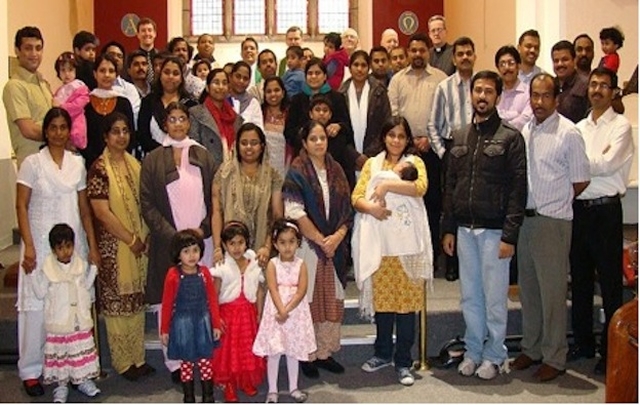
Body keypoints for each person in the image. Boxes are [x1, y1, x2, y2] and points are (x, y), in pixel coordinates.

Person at [442, 70, 527, 380]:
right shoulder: (460, 136)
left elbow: (519, 190)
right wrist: (448, 228)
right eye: (477, 90)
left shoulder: (510, 137)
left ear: (497, 96)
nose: (482, 96)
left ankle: (494, 354)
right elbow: (450, 185)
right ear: (471, 95)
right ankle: (474, 350)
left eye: (488, 91)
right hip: (464, 230)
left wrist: (510, 235)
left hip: (494, 233)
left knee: (493, 298)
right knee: (470, 296)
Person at [510, 73, 590, 382]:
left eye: (545, 96)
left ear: (556, 99)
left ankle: (555, 356)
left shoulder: (569, 133)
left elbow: (581, 179)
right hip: (526, 222)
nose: (539, 102)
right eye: (534, 95)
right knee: (529, 291)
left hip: (552, 222)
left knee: (553, 293)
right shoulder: (525, 131)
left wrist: (557, 204)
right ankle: (532, 348)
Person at [15, 107, 99, 397]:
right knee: (38, 308)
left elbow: (85, 210)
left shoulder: (77, 163)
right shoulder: (32, 163)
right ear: (46, 130)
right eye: (54, 127)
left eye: (64, 127)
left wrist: (91, 244)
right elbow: (21, 206)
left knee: (72, 308)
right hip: (39, 243)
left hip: (71, 244)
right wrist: (28, 244)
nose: (59, 133)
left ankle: (75, 369)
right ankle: (31, 370)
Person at [141, 103, 218, 383]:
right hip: (169, 243)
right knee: (171, 301)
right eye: (171, 119)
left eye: (182, 119)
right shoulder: (152, 159)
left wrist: (203, 229)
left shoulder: (203, 154)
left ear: (188, 123)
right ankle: (175, 362)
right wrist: (172, 236)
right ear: (165, 124)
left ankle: (202, 355)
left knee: (202, 300)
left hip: (201, 241)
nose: (177, 124)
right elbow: (147, 203)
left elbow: (215, 198)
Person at [351, 116, 431, 386]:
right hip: (381, 246)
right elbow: (357, 196)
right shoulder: (373, 164)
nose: (396, 140)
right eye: (391, 135)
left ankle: (404, 361)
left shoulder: (414, 162)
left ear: (407, 139)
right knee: (384, 305)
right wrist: (371, 207)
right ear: (384, 136)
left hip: (408, 249)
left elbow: (419, 187)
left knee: (406, 307)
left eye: (401, 136)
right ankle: (382, 353)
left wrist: (385, 186)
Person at [569, 67, 634, 375]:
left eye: (603, 86)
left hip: (607, 211)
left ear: (612, 91)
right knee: (579, 281)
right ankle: (582, 344)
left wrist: (583, 165)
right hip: (579, 209)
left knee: (609, 285)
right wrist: (586, 165)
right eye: (592, 84)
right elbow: (576, 165)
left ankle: (611, 352)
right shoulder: (578, 127)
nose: (596, 90)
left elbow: (607, 164)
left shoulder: (622, 126)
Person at [282, 120, 353, 379]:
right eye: (313, 138)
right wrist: (321, 240)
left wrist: (337, 238)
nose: (319, 143)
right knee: (309, 299)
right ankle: (307, 355)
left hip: (334, 246)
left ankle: (325, 352)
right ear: (304, 143)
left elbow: (347, 210)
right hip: (309, 247)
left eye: (322, 138)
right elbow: (294, 210)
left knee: (331, 298)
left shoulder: (337, 170)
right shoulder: (297, 171)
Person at [87, 112, 154, 382]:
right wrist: (130, 239)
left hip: (138, 246)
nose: (121, 136)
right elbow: (102, 213)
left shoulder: (134, 165)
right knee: (117, 307)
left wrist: (144, 237)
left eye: (125, 130)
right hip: (115, 248)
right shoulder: (99, 168)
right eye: (115, 131)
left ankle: (138, 358)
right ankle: (124, 362)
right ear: (105, 136)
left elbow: (145, 202)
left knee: (135, 304)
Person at [389, 32, 447, 281]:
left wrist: (429, 140)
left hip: (432, 150)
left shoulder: (440, 79)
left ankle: (431, 258)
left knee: (432, 205)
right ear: (408, 51)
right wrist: (407, 140)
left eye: (422, 50)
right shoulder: (397, 80)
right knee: (405, 205)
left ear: (428, 52)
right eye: (413, 50)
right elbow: (393, 114)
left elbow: (445, 115)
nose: (417, 54)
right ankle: (406, 255)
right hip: (404, 150)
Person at [28, 224, 101, 403]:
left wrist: (93, 269)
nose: (66, 252)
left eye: (68, 246)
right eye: (60, 248)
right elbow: (40, 293)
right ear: (54, 250)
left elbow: (86, 286)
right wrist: (31, 274)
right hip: (59, 323)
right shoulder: (48, 270)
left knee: (78, 354)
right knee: (62, 357)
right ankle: (61, 386)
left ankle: (83, 380)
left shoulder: (80, 265)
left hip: (78, 321)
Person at [252, 219, 316, 404]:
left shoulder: (301, 264)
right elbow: (272, 288)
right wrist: (281, 310)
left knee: (292, 350)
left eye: (291, 242)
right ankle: (272, 390)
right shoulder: (272, 263)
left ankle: (293, 387)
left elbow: (302, 290)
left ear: (298, 242)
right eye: (282, 242)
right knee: (275, 351)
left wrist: (287, 311)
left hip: (295, 312)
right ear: (275, 244)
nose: (287, 247)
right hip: (276, 310)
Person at [161, 230, 222, 403]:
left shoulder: (204, 273)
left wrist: (216, 324)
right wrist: (164, 329)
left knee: (205, 361)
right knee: (186, 362)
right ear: (178, 254)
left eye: (195, 250)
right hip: (183, 325)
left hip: (202, 322)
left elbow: (212, 300)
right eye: (186, 251)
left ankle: (208, 396)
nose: (192, 255)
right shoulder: (173, 275)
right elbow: (166, 304)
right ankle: (188, 396)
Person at [212, 123, 284, 268]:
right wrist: (218, 247)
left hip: (262, 252)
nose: (249, 147)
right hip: (230, 249)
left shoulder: (273, 176)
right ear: (237, 145)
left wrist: (267, 247)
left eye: (254, 143)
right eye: (244, 143)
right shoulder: (224, 173)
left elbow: (277, 216)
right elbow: (217, 212)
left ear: (262, 146)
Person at [210, 221, 266, 402]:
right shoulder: (222, 267)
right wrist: (215, 318)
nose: (236, 247)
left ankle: (245, 380)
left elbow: (258, 290)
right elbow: (214, 293)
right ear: (225, 245)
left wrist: (259, 313)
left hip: (248, 314)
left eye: (240, 242)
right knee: (229, 352)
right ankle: (229, 384)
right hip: (229, 315)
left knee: (246, 349)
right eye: (232, 243)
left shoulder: (253, 264)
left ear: (246, 243)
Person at [3, 26, 53, 168]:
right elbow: (28, 130)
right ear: (17, 51)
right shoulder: (14, 86)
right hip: (31, 167)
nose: (34, 53)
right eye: (28, 48)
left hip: (52, 162)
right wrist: (61, 136)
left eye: (38, 48)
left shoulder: (44, 84)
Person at [284, 58, 353, 159]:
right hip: (305, 156)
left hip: (334, 155)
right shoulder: (297, 99)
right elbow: (288, 132)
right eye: (310, 73)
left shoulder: (337, 98)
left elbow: (348, 129)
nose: (313, 76)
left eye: (317, 73)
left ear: (325, 76)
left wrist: (339, 126)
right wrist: (304, 134)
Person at [82, 53, 135, 169]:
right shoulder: (86, 104)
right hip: (93, 165)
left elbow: (131, 137)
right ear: (95, 74)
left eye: (111, 71)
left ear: (116, 75)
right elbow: (84, 139)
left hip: (121, 164)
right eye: (102, 70)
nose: (107, 75)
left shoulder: (123, 103)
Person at [339, 50, 392, 166]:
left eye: (363, 65)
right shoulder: (341, 93)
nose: (359, 69)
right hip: (349, 157)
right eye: (356, 65)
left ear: (369, 68)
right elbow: (340, 128)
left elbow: (386, 124)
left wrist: (369, 155)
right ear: (349, 67)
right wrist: (355, 156)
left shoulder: (379, 91)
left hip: (376, 155)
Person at [427, 36, 476, 160]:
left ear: (474, 57)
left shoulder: (482, 86)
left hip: (478, 148)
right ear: (454, 60)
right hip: (452, 149)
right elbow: (433, 125)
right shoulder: (443, 87)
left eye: (469, 53)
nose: (465, 57)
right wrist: (443, 153)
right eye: (460, 54)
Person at [138, 56, 198, 155]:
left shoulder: (191, 104)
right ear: (160, 75)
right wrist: (165, 153)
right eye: (166, 72)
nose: (170, 76)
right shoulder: (148, 102)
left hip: (186, 157)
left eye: (175, 73)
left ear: (181, 78)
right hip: (154, 158)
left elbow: (194, 135)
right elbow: (143, 136)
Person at [189, 68, 243, 164]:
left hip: (233, 171)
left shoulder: (236, 118)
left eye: (224, 83)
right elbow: (194, 149)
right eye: (216, 82)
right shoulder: (195, 114)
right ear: (207, 87)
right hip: (207, 171)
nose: (221, 87)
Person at [307, 95, 357, 188]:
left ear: (330, 115)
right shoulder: (305, 136)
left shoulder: (339, 137)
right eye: (317, 110)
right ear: (311, 114)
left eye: (325, 110)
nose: (321, 113)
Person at [52, 51, 90, 151]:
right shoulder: (59, 91)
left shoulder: (80, 87)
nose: (67, 74)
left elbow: (77, 106)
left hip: (76, 125)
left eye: (70, 70)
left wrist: (61, 106)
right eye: (63, 70)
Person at [102, 41, 141, 127]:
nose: (116, 58)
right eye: (112, 54)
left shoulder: (130, 89)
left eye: (119, 56)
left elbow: (135, 116)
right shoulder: (92, 88)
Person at [495, 45, 533, 131]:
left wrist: (500, 127)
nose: (507, 68)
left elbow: (525, 120)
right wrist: (516, 114)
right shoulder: (494, 92)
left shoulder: (528, 92)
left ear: (518, 66)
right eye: (502, 64)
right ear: (498, 68)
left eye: (511, 63)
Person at [551, 40, 590, 124]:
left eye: (565, 60)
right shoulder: (550, 85)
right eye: (556, 61)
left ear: (575, 60)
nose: (560, 64)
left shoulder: (585, 85)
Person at [262, 76, 290, 178]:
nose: (273, 94)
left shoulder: (291, 113)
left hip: (285, 166)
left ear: (283, 93)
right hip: (262, 168)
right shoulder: (259, 113)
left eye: (276, 90)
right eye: (269, 91)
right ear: (264, 95)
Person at [229, 61, 264, 130]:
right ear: (230, 77)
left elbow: (259, 130)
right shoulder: (222, 99)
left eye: (245, 78)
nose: (241, 81)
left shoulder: (253, 103)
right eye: (238, 76)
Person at [136, 18, 159, 85]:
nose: (147, 33)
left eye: (149, 30)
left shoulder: (161, 57)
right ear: (138, 35)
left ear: (155, 34)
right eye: (143, 31)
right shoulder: (132, 59)